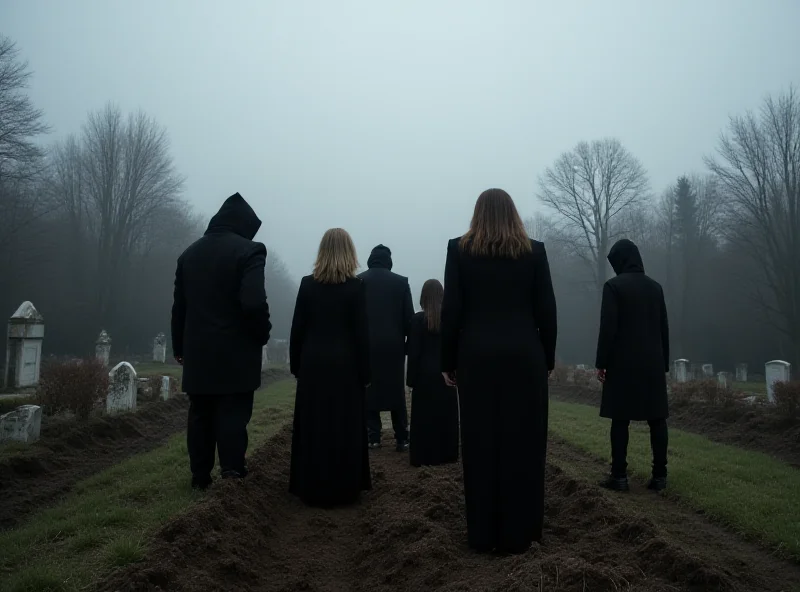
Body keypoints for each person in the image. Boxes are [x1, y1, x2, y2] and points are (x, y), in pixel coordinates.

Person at [441, 188, 557, 555]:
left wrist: (448, 361)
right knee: (524, 444)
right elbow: (547, 313)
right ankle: (521, 533)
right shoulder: (534, 251)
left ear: (477, 214)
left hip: (476, 359)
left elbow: (452, 312)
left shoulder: (458, 250)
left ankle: (483, 534)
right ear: (514, 214)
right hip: (525, 359)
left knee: (479, 445)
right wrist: (548, 360)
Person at [171, 192, 271, 490]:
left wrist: (180, 348)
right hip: (236, 352)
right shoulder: (250, 251)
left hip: (198, 352)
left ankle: (200, 477)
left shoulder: (188, 254)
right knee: (232, 411)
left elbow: (180, 308)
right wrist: (261, 333)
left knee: (200, 414)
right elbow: (253, 302)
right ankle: (232, 474)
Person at [288, 228, 372, 506]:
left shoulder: (307, 284)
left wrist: (296, 366)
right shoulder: (357, 287)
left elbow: (297, 330)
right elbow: (362, 334)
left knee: (314, 426)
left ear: (322, 251)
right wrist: (366, 373)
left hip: (313, 364)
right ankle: (345, 488)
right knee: (344, 426)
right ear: (350, 252)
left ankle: (311, 487)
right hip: (346, 366)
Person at [595, 238, 670, 493]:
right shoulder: (655, 288)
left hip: (622, 363)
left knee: (620, 420)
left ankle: (619, 476)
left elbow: (608, 328)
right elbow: (663, 329)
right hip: (652, 363)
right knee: (657, 420)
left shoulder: (613, 287)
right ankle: (660, 476)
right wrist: (665, 364)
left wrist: (601, 363)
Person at [358, 244, 415, 451]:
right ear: (389, 260)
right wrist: (407, 346)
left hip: (366, 345)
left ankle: (373, 437)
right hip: (394, 347)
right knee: (395, 391)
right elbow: (409, 319)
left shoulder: (359, 281)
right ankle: (402, 437)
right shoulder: (401, 283)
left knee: (368, 389)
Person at [407, 279, 459, 467]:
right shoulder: (450, 321)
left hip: (424, 377)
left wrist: (411, 381)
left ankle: (423, 456)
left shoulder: (417, 320)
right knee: (446, 419)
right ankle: (447, 455)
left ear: (423, 297)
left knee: (423, 420)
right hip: (446, 375)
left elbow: (413, 354)